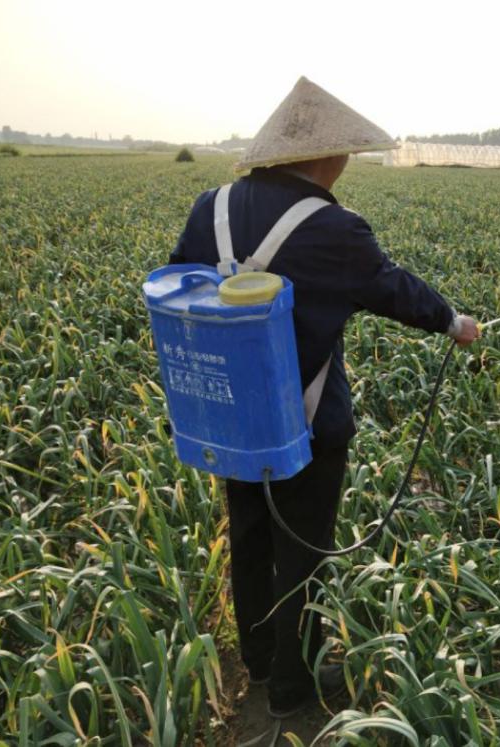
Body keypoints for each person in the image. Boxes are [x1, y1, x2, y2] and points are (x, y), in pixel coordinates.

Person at [168, 77, 480, 719]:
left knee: (250, 537)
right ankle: (293, 688)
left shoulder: (212, 208)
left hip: (232, 416)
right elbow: (390, 289)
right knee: (302, 554)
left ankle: (257, 663)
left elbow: (179, 286)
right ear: (326, 157)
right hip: (307, 423)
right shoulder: (335, 226)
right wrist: (454, 322)